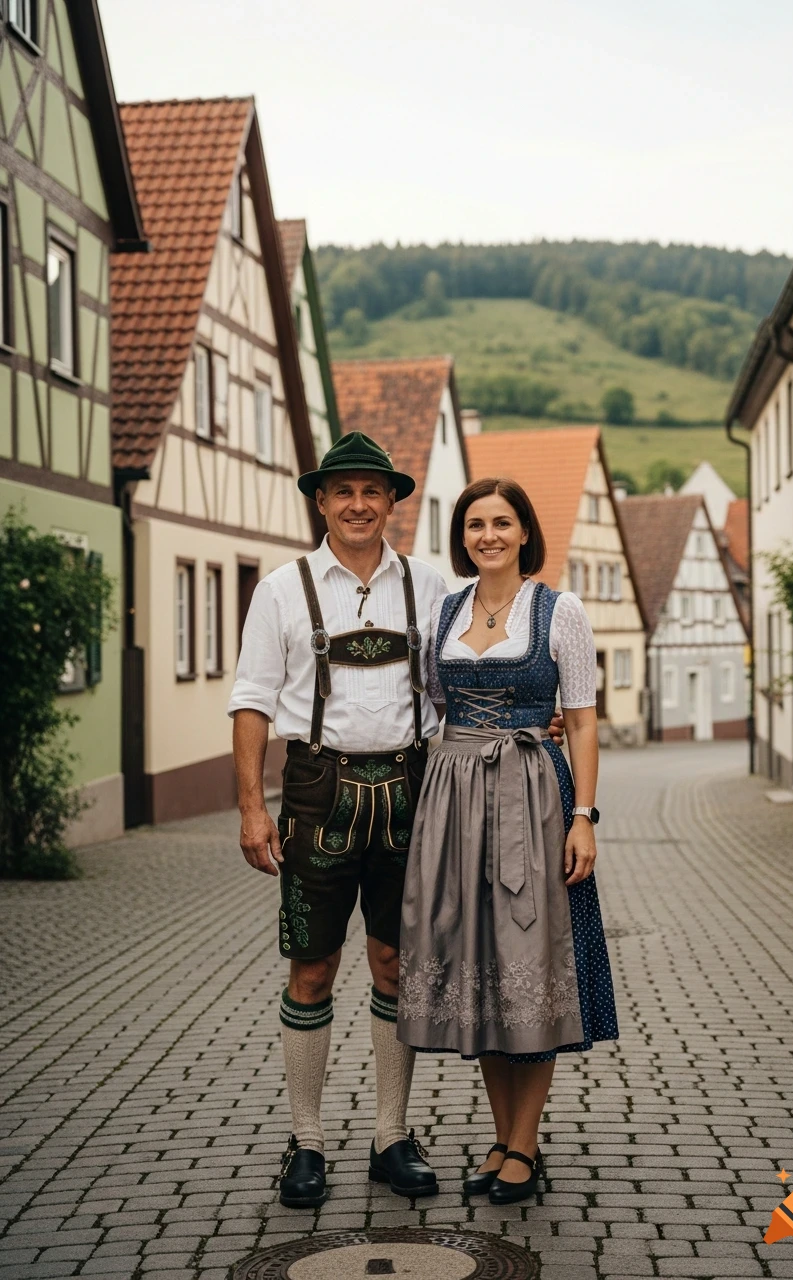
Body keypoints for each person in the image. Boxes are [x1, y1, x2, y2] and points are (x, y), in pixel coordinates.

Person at [228, 432, 447, 1208]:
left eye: (373, 490)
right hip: (317, 793)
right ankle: (307, 1139)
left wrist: (534, 716)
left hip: (411, 789)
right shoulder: (282, 590)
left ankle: (392, 1133)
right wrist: (255, 806)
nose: (358, 504)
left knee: (394, 965)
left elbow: (471, 674)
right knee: (313, 968)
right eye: (343, 491)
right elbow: (252, 701)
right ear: (321, 502)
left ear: (393, 502)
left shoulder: (430, 584)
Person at [398, 476, 619, 1205]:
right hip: (456, 800)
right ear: (462, 537)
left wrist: (584, 814)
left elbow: (581, 719)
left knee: (534, 965)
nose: (487, 535)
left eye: (501, 522)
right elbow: (435, 707)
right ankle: (501, 1136)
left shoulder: (561, 612)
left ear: (525, 531)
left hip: (533, 795)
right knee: (483, 975)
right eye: (473, 524)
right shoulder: (443, 612)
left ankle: (525, 1145)